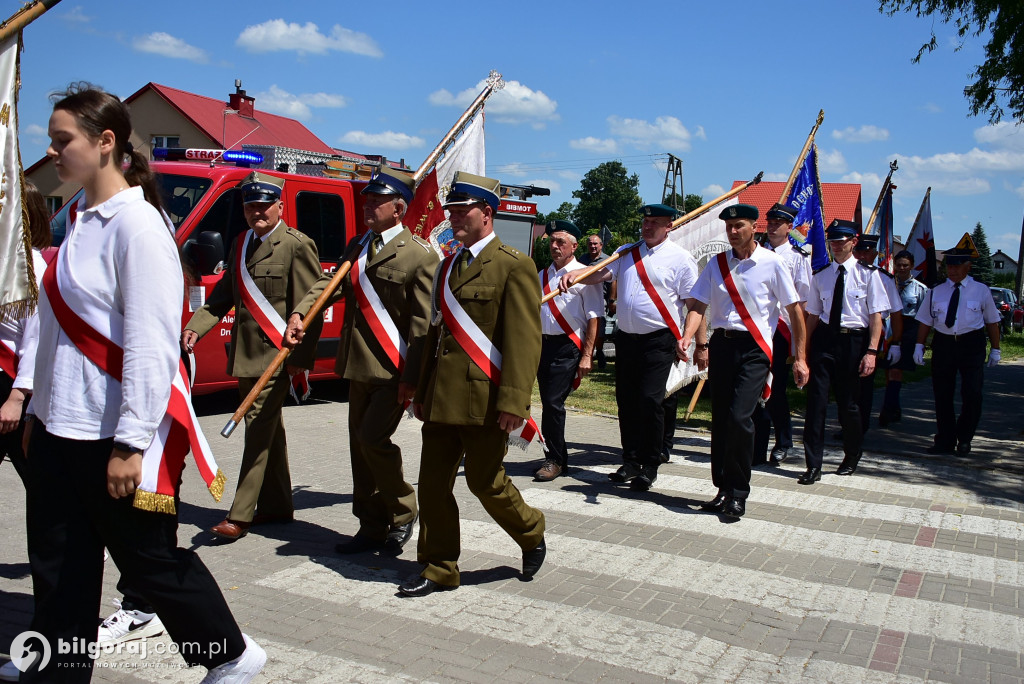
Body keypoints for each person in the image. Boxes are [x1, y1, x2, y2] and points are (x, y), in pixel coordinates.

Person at [22, 84, 263, 683]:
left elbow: (155, 346)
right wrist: (31, 401)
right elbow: (48, 328)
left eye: (62, 141)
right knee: (60, 566)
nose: (51, 153)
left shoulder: (139, 227)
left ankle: (229, 656)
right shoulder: (75, 218)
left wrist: (132, 443)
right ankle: (56, 670)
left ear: (106, 143)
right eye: (50, 142)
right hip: (58, 427)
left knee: (149, 559)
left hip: (110, 435)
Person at [402, 172, 547, 597]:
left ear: (487, 212)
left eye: (461, 210)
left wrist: (515, 403)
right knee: (431, 486)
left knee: (485, 481)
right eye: (450, 210)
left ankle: (530, 528)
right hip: (442, 396)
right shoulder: (448, 264)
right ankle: (439, 566)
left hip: (485, 398)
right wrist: (418, 386)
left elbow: (523, 341)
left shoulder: (514, 265)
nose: (453, 218)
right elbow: (433, 334)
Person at [284, 166, 437, 554]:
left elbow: (421, 324)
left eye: (377, 200)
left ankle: (403, 510)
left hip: (393, 367)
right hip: (358, 366)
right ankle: (370, 525)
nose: (368, 205)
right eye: (367, 199)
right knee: (358, 446)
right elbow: (328, 284)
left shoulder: (419, 255)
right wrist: (303, 312)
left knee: (373, 440)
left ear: (399, 208)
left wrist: (414, 377)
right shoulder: (358, 245)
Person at [183, 171, 323, 540]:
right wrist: (197, 326)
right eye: (250, 207)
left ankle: (240, 514)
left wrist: (299, 361)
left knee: (257, 429)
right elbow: (222, 296)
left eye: (263, 206)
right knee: (269, 430)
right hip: (245, 355)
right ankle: (277, 505)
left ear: (280, 205)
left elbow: (312, 308)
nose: (256, 213)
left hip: (276, 357)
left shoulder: (296, 244)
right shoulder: (242, 243)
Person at [560, 204, 702, 491]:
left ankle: (650, 464)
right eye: (645, 221)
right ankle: (631, 460)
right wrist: (577, 274)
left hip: (659, 341)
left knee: (651, 401)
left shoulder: (681, 259)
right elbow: (601, 274)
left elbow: (695, 305)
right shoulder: (626, 251)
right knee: (626, 400)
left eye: (655, 222)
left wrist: (691, 338)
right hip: (627, 339)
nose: (647, 227)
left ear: (669, 226)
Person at [680, 204, 808, 518]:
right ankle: (722, 488)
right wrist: (688, 336)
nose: (733, 232)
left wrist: (801, 358)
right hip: (723, 346)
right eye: (729, 227)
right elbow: (698, 305)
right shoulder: (716, 264)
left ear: (753, 226)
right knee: (722, 419)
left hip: (755, 350)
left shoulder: (773, 263)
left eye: (739, 226)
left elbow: (794, 312)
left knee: (740, 417)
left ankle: (739, 492)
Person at [799, 220, 889, 483]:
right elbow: (812, 317)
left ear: (853, 241)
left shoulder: (869, 275)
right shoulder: (821, 275)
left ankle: (852, 454)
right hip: (826, 341)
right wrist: (802, 353)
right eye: (832, 241)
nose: (836, 246)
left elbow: (876, 318)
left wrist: (871, 352)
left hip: (854, 342)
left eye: (841, 241)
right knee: (816, 403)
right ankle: (813, 464)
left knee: (849, 406)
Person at [913, 233, 1001, 456]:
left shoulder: (981, 290)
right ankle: (945, 440)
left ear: (967, 266)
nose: (951, 270)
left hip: (971, 343)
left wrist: (996, 349)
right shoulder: (936, 291)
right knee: (942, 394)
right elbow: (925, 320)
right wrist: (919, 345)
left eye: (956, 266)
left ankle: (965, 437)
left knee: (972, 393)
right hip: (944, 344)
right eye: (949, 266)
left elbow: (992, 321)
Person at [533, 220, 601, 481]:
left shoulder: (585, 275)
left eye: (560, 241)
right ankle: (558, 457)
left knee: (553, 403)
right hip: (543, 345)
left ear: (574, 246)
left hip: (567, 346)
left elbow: (594, 317)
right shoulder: (541, 276)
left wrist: (587, 355)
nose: (554, 246)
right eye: (551, 241)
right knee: (549, 403)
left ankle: (555, 460)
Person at [751, 203, 811, 466]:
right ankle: (756, 445)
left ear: (789, 227)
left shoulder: (797, 258)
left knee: (775, 391)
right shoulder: (757, 254)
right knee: (753, 389)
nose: (773, 226)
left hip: (782, 332)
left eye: (779, 222)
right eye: (770, 221)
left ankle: (783, 441)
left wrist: (799, 348)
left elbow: (804, 304)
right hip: (758, 328)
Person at [0, 181, 50, 484]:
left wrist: (16, 399)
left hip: (10, 383)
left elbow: (35, 338)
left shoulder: (33, 270)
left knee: (37, 480)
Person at [851, 233, 903, 436]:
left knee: (864, 383)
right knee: (847, 382)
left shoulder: (883, 279)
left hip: (872, 336)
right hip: (848, 334)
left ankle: (859, 426)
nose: (862, 255)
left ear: (875, 254)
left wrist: (896, 342)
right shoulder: (845, 273)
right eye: (859, 251)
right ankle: (847, 424)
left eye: (867, 252)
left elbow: (896, 314)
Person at [879, 249, 928, 426]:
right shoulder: (887, 284)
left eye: (905, 265)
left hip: (908, 331)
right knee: (887, 371)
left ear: (912, 266)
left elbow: (924, 317)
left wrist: (920, 344)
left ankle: (887, 410)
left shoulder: (920, 289)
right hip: (888, 330)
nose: (901, 268)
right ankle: (894, 406)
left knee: (895, 371)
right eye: (898, 265)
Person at [578, 233, 616, 369]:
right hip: (582, 297)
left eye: (595, 244)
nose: (593, 246)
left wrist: (611, 300)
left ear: (601, 245)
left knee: (599, 329)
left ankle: (599, 352)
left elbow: (613, 281)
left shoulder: (607, 259)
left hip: (601, 298)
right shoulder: (582, 259)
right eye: (590, 244)